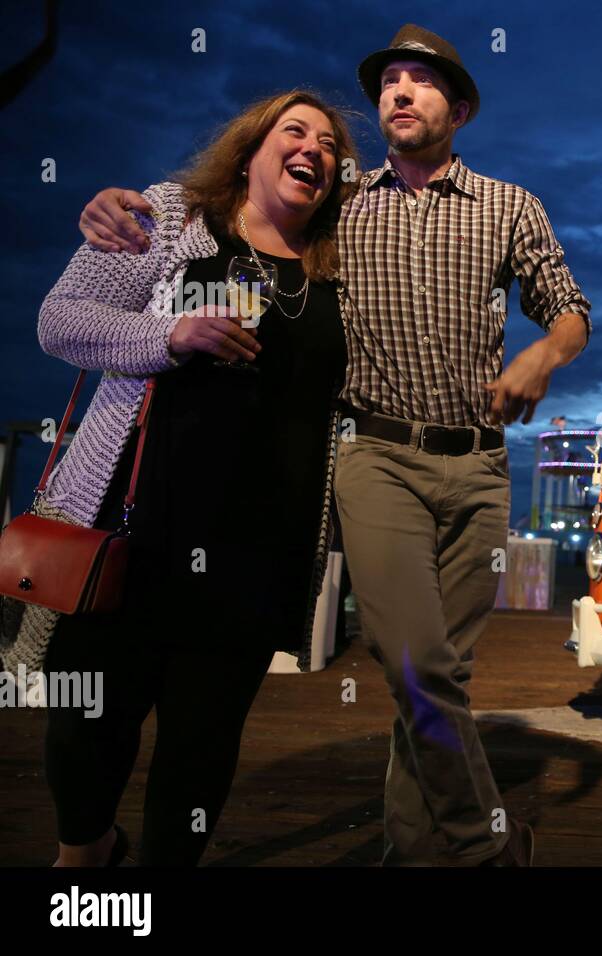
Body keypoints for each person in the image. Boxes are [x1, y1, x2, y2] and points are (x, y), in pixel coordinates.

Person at [76, 25, 593, 866]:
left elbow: (569, 306)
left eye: (421, 83)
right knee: (416, 661)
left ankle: (413, 851)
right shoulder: (342, 206)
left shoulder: (512, 206)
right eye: (390, 80)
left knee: (436, 680)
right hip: (378, 458)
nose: (399, 93)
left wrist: (544, 351)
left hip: (483, 467)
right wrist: (121, 203)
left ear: (457, 108)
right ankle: (486, 846)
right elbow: (232, 210)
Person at [7, 90, 360, 866]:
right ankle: (87, 852)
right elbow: (60, 321)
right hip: (131, 531)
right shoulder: (169, 216)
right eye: (294, 131)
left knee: (202, 746)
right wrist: (171, 330)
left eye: (330, 144)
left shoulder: (342, 259)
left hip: (258, 550)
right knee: (84, 723)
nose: (314, 148)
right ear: (250, 147)